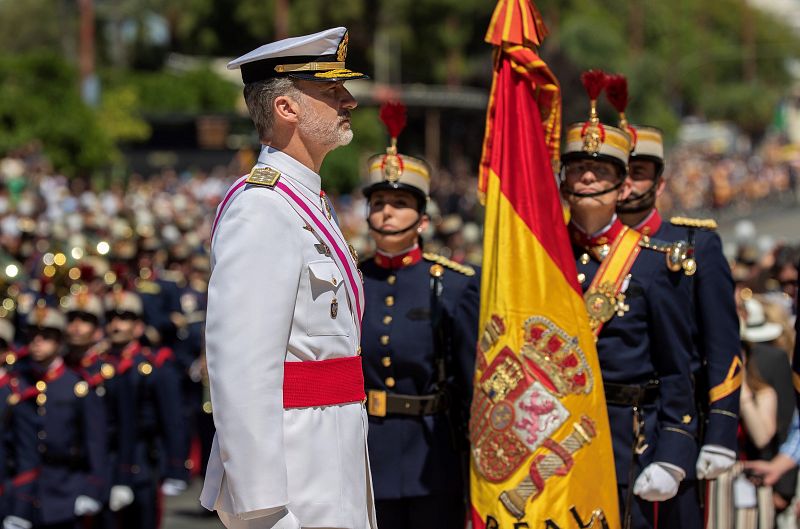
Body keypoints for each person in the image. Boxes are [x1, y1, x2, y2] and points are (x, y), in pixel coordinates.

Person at [200, 27, 376, 529]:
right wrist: (263, 510)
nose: (348, 101)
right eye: (331, 90)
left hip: (329, 452)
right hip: (295, 475)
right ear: (286, 108)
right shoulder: (262, 208)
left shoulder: (303, 201)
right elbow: (241, 371)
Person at [561, 72, 698, 529]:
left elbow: (678, 367)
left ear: (622, 187)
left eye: (599, 170)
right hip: (558, 439)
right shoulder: (547, 260)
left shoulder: (655, 264)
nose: (586, 177)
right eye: (578, 168)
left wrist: (675, 451)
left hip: (630, 437)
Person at [359, 103, 480, 529]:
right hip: (365, 450)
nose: (386, 212)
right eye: (377, 202)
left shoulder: (454, 284)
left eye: (399, 202)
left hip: (433, 453)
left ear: (423, 220)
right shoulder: (349, 280)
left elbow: (469, 377)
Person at [3, 305, 107, 529]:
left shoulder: (76, 386)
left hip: (66, 490)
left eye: (46, 336)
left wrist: (93, 489)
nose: (37, 342)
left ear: (60, 341)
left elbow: (95, 443)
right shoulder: (18, 384)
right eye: (32, 335)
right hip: (23, 495)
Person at [100, 289, 188, 529]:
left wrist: (176, 467)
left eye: (125, 319)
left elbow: (172, 419)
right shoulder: (99, 365)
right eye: (111, 319)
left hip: (143, 458)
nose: (116, 325)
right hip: (105, 460)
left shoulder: (153, 365)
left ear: (138, 327)